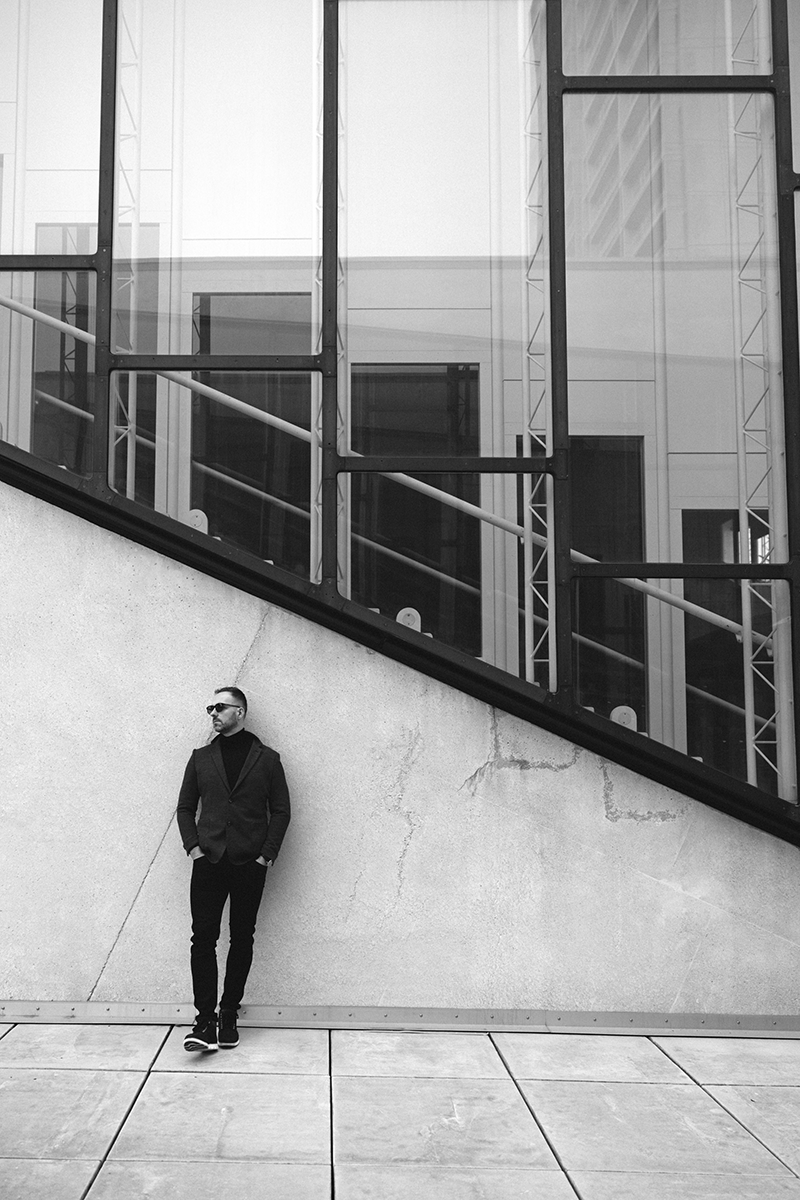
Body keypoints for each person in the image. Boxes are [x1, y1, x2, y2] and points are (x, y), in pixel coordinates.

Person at [176, 686, 290, 1052]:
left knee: (242, 938)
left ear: (239, 712)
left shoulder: (268, 760)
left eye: (220, 707)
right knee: (202, 940)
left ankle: (228, 1014)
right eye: (211, 706)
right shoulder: (200, 757)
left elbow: (282, 811)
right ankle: (204, 1019)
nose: (213, 712)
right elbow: (184, 808)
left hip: (248, 864)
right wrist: (193, 848)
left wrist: (265, 856)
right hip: (208, 861)